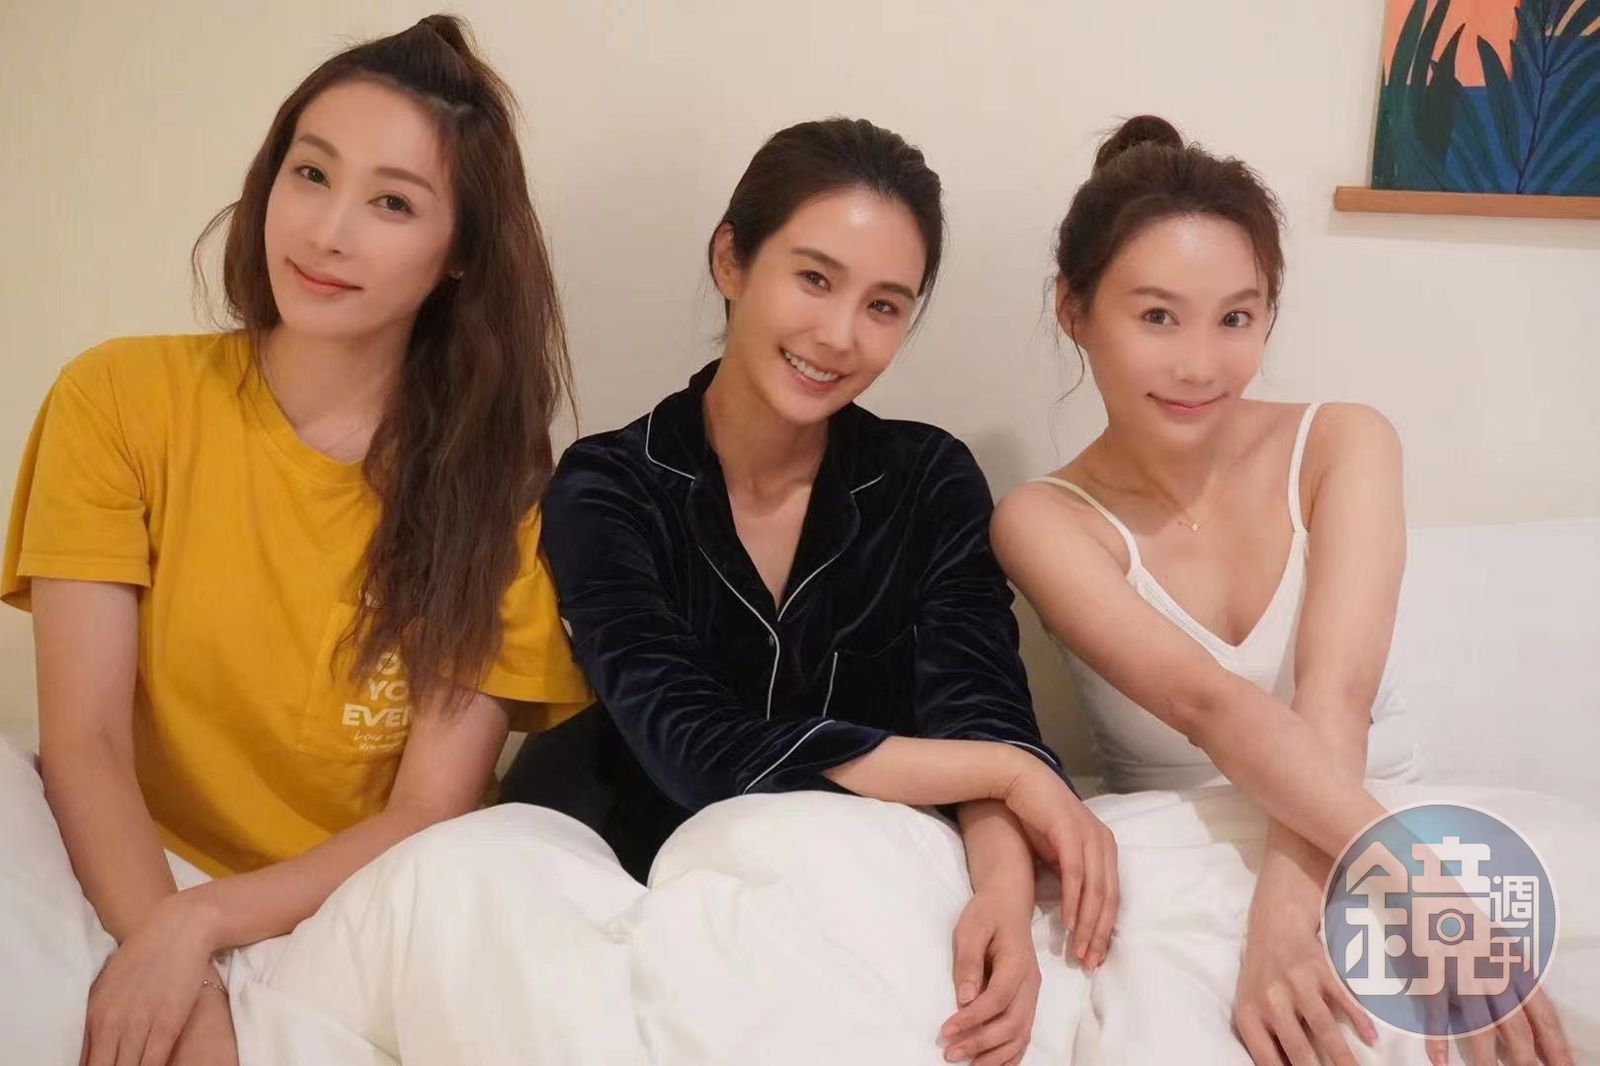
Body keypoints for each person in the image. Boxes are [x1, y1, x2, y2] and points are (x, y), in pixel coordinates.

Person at [0, 16, 590, 1065]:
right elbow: (84, 740)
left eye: (392, 203)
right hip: (125, 864)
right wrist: (169, 954)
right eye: (310, 174)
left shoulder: (498, 491)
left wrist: (199, 931)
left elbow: (426, 812)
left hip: (347, 913)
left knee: (519, 860)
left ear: (459, 255)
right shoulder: (121, 397)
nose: (327, 232)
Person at [503, 116, 1116, 1066]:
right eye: (815, 279)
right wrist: (1004, 774)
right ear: (731, 260)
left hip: (838, 896)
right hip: (621, 877)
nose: (839, 336)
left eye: (884, 305)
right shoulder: (608, 486)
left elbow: (982, 714)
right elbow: (696, 748)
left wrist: (1000, 889)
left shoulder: (927, 479)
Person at [993, 114, 1576, 1066]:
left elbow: (1335, 699)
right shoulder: (1042, 521)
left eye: (1237, 317)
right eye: (1156, 317)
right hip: (1183, 856)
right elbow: (1211, 706)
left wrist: (1305, 914)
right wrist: (1333, 907)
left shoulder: (1344, 442)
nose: (1201, 365)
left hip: (1385, 819)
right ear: (1074, 310)